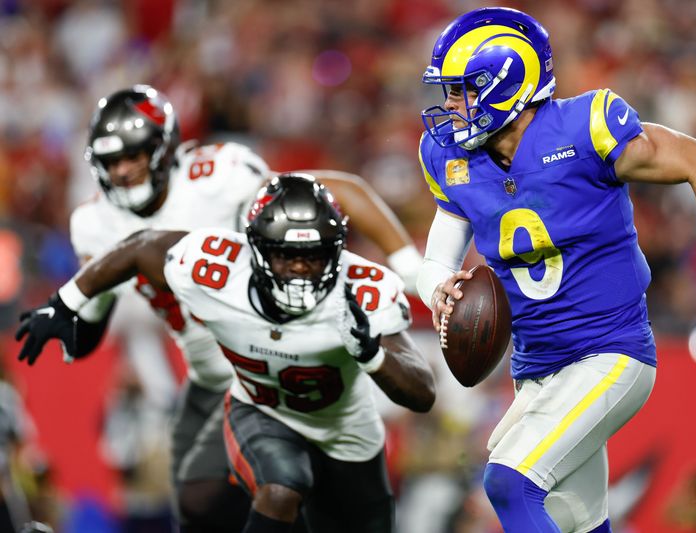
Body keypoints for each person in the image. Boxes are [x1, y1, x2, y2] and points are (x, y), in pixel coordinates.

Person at [414, 7, 696, 533]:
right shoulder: (451, 159)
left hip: (610, 353)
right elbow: (436, 263)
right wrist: (438, 289)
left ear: (508, 83)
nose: (450, 106)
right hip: (536, 369)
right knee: (576, 520)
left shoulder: (585, 128)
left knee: (509, 481)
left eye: (462, 90)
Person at [20, 85, 423, 532]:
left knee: (288, 490)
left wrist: (415, 272)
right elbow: (101, 305)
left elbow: (323, 196)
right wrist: (71, 311)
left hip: (275, 352)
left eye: (135, 154)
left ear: (166, 146)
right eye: (113, 161)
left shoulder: (219, 177)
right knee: (196, 505)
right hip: (214, 371)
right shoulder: (94, 225)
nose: (125, 170)